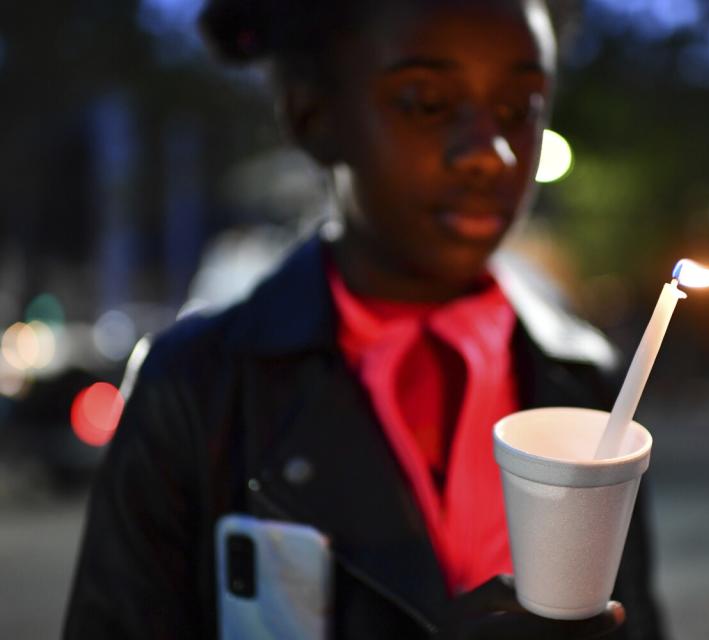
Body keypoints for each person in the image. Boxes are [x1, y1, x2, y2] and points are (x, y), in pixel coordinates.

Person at [64, 0, 665, 638]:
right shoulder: (198, 388)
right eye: (426, 102)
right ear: (311, 114)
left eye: (521, 110)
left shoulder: (584, 380)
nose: (492, 154)